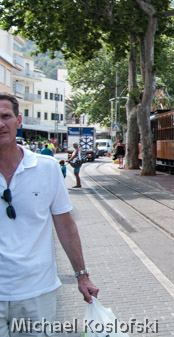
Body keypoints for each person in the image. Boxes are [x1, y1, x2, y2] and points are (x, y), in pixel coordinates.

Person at [0, 93, 99, 336]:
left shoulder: (46, 168)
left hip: (37, 292)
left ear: (19, 120)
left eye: (6, 116)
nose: (0, 124)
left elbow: (65, 225)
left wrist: (82, 276)